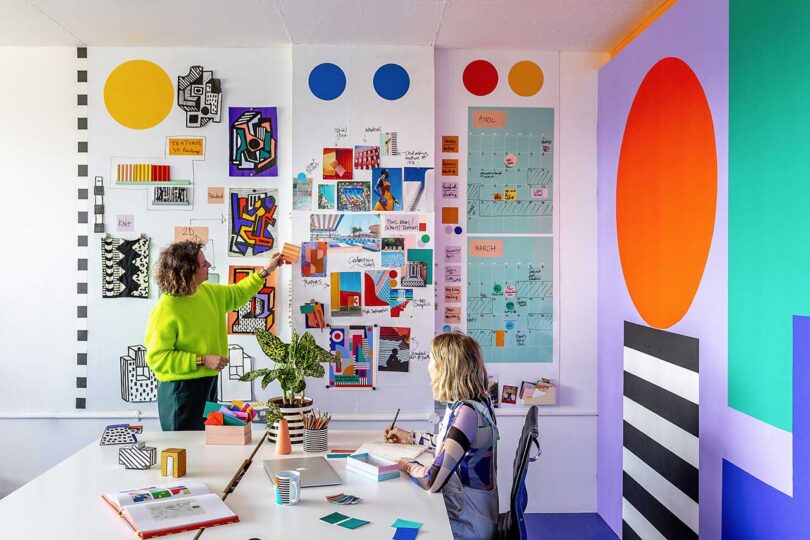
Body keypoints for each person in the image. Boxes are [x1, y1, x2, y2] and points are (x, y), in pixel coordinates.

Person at [145, 241, 285, 431]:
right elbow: (158, 359)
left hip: (207, 383)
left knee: (206, 442)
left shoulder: (207, 293)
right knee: (185, 448)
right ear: (188, 271)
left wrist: (266, 270)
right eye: (203, 264)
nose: (209, 265)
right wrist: (202, 360)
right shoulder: (166, 309)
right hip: (180, 390)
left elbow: (239, 292)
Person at [385, 333, 499, 539]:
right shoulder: (477, 404)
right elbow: (451, 444)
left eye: (431, 359)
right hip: (472, 514)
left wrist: (406, 465)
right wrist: (410, 436)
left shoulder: (468, 414)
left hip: (468, 525)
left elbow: (432, 480)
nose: (428, 366)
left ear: (445, 368)